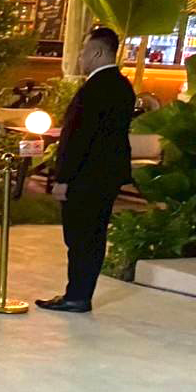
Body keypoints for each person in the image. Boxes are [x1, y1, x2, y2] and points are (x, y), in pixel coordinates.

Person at [37, 26, 135, 313]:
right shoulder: (122, 86)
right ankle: (80, 293)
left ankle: (76, 296)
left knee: (80, 237)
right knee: (94, 235)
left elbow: (78, 137)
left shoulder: (95, 89)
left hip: (86, 177)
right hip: (106, 176)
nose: (80, 57)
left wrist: (63, 178)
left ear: (98, 52)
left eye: (83, 51)